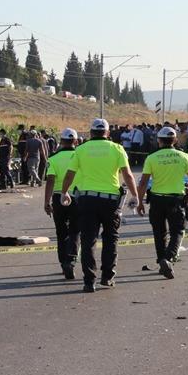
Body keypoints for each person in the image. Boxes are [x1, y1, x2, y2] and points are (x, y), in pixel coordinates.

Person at [59, 118, 139, 293]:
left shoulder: (80, 150)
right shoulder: (117, 149)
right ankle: (107, 277)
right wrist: (135, 195)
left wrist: (65, 192)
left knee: (88, 241)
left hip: (87, 200)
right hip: (110, 201)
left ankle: (89, 281)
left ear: (91, 132)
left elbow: (69, 174)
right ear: (108, 133)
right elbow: (127, 174)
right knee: (111, 238)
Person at [135, 126, 188, 279]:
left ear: (159, 140)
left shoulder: (152, 158)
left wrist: (139, 202)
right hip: (176, 200)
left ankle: (162, 261)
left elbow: (143, 183)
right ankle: (167, 259)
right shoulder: (183, 156)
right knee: (177, 231)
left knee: (159, 233)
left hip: (157, 199)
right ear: (175, 140)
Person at [43, 128, 80, 280]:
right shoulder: (80, 157)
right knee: (75, 231)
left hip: (59, 197)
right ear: (76, 141)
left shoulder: (53, 158)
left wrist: (46, 202)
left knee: (61, 232)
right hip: (77, 197)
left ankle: (63, 262)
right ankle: (70, 261)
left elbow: (50, 181)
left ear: (61, 142)